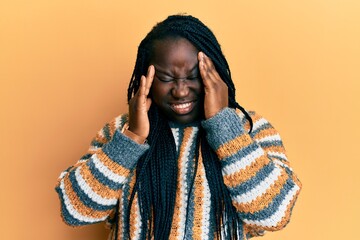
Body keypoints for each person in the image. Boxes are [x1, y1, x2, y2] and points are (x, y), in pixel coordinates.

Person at [55, 14, 302, 240]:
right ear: (146, 79)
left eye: (194, 75)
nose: (181, 90)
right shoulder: (120, 131)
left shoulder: (248, 127)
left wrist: (224, 127)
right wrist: (132, 139)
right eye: (165, 78)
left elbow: (274, 214)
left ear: (215, 72)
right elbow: (76, 211)